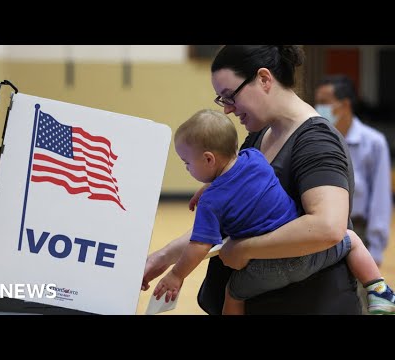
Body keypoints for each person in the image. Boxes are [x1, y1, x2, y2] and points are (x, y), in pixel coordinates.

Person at [142, 45, 362, 315]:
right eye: (222, 100)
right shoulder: (260, 135)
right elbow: (222, 219)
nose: (227, 110)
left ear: (264, 79)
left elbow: (327, 227)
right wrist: (161, 259)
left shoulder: (316, 140)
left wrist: (244, 249)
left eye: (230, 96)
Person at [152, 109, 395, 315]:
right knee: (351, 239)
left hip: (265, 268)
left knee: (233, 292)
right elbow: (236, 178)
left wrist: (176, 275)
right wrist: (209, 186)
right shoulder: (256, 158)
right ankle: (379, 291)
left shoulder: (212, 203)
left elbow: (199, 246)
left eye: (186, 162)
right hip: (306, 250)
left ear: (208, 159)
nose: (186, 168)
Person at [314, 74, 393, 314]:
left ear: (345, 105)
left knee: (362, 300)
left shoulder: (373, 142)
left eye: (324, 102)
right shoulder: (318, 139)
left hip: (359, 233)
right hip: (322, 232)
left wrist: (376, 248)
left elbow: (380, 199)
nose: (320, 109)